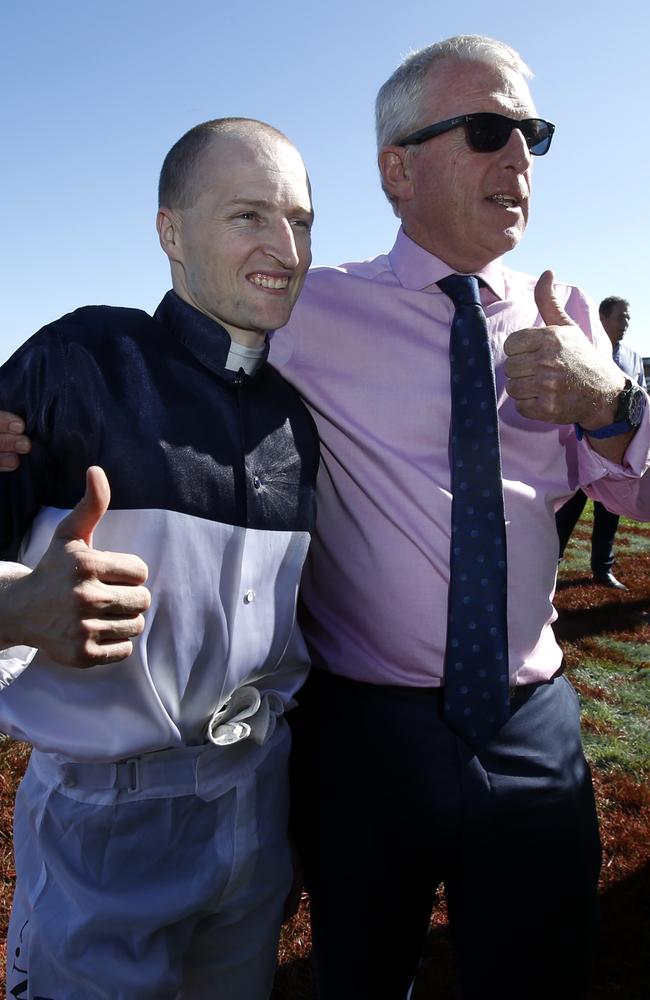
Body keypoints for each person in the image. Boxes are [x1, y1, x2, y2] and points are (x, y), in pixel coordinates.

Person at [3, 34, 650, 1000]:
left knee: (541, 973)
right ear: (399, 167)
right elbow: (177, 355)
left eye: (533, 135)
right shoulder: (299, 308)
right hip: (362, 738)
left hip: (531, 730)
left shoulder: (569, 324)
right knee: (354, 972)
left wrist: (615, 405)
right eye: (488, 131)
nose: (519, 159)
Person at [0, 117, 318, 999]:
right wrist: (15, 612)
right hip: (104, 819)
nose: (285, 247)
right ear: (170, 231)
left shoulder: (296, 418)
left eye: (301, 220)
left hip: (257, 806)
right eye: (249, 215)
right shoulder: (78, 360)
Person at [556, 296, 647, 588]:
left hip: (617, 460)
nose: (626, 324)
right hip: (581, 452)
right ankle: (550, 565)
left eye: (628, 318)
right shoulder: (585, 351)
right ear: (603, 318)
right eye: (621, 317)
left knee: (610, 514)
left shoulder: (632, 357)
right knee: (566, 511)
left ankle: (603, 568)